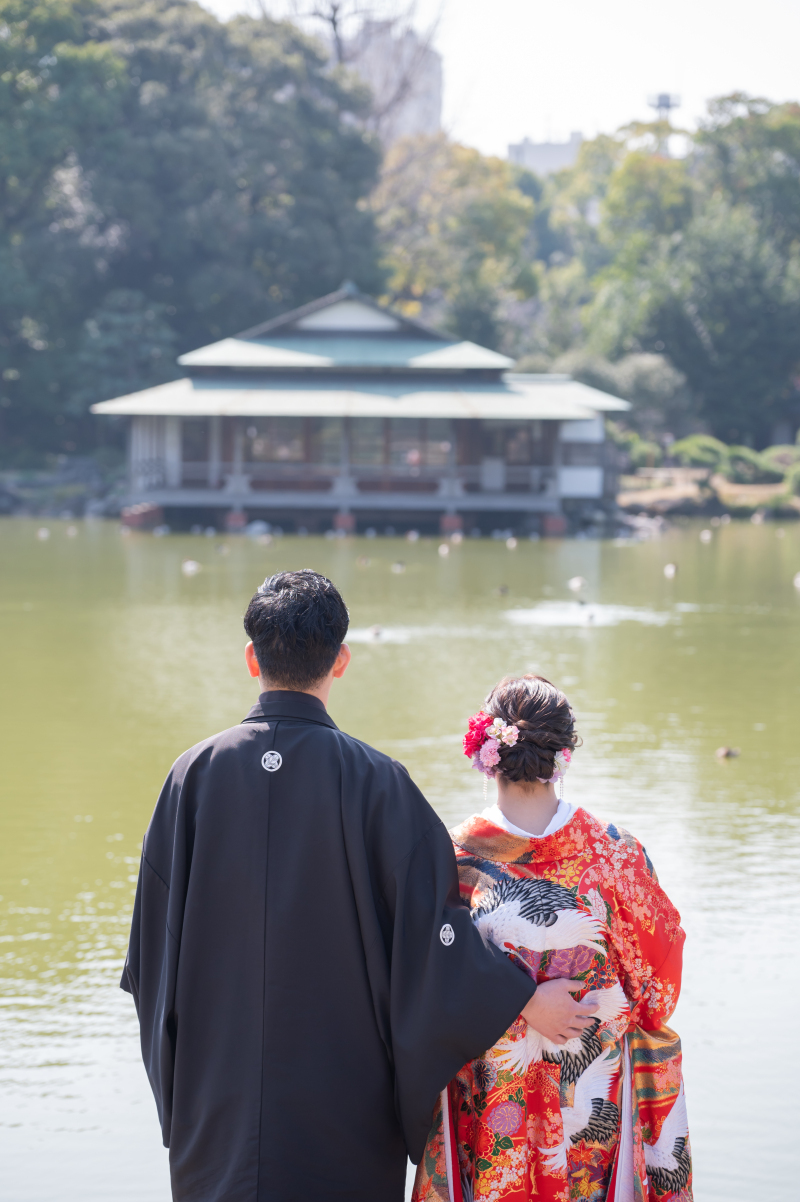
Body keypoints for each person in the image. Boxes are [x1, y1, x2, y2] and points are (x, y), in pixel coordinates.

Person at [121, 571, 598, 1202]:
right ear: (341, 660)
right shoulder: (378, 783)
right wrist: (520, 998)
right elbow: (437, 935)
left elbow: (152, 955)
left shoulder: (192, 778)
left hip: (218, 1104)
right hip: (340, 1103)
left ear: (250, 658)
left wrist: (183, 1095)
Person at [413, 674, 692, 1202]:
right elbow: (657, 986)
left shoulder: (455, 860)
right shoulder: (614, 855)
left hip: (495, 1092)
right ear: (564, 753)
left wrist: (515, 1007)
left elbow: (428, 986)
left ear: (484, 753)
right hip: (592, 1091)